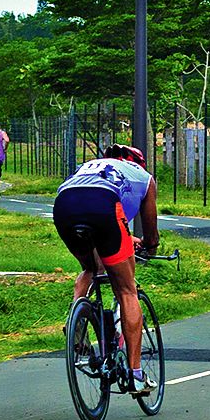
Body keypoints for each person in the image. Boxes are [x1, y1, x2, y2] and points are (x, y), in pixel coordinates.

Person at [51, 143, 158, 393]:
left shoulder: (90, 167)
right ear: (140, 163)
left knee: (90, 267)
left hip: (64, 204)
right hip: (104, 206)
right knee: (127, 291)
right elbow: (150, 234)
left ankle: (77, 314)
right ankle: (135, 374)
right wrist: (150, 248)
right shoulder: (144, 178)